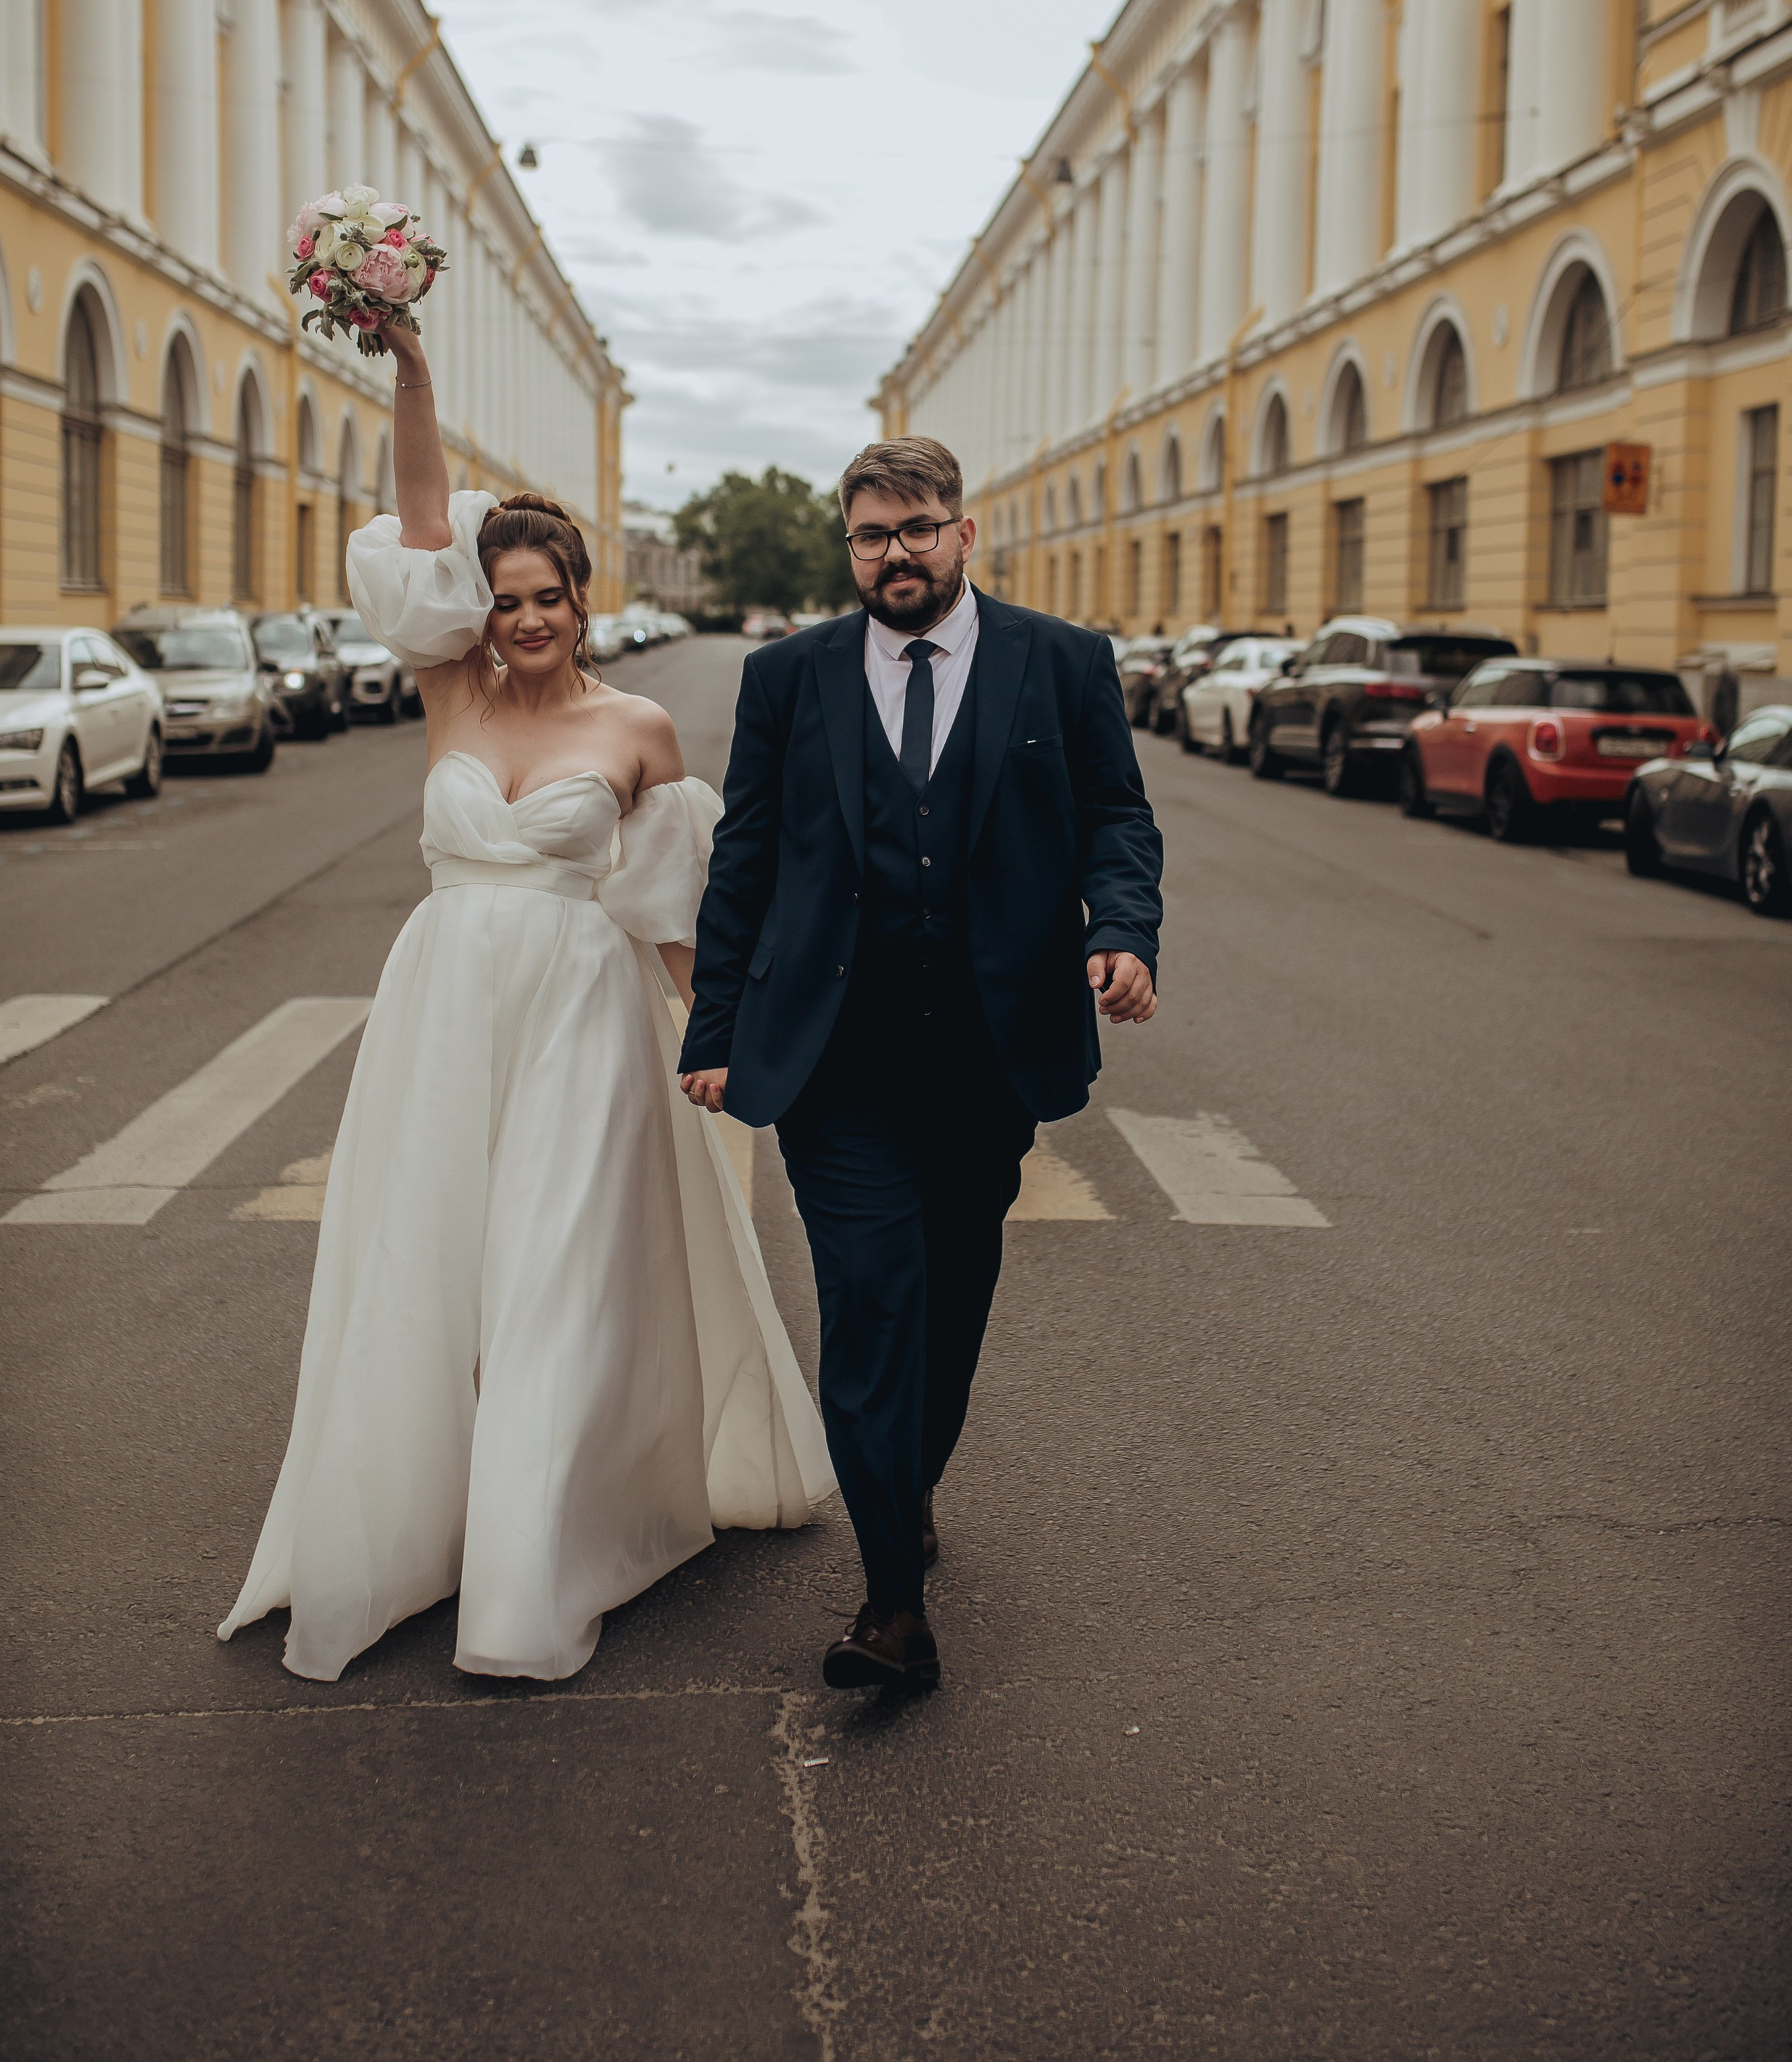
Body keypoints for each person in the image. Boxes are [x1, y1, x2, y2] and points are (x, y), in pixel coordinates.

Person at [220, 318, 831, 1683]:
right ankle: (400, 1540)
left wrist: (719, 1043)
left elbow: (676, 911)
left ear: (584, 600)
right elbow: (426, 520)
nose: (528, 617)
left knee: (552, 1282)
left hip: (579, 1023)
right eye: (505, 599)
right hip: (440, 1013)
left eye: (549, 595)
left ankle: (533, 1566)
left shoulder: (639, 734)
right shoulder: (450, 691)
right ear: (479, 610)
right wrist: (412, 373)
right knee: (426, 1272)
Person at [678, 436, 1163, 1694]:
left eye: (918, 527)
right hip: (835, 1061)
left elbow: (1117, 815)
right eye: (871, 535)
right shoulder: (788, 676)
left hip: (991, 1056)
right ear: (849, 547)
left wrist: (1119, 932)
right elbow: (746, 855)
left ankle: (912, 1475)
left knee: (949, 1304)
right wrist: (716, 1029)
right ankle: (892, 1602)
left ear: (963, 531)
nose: (895, 553)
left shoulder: (1061, 664)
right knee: (872, 1304)